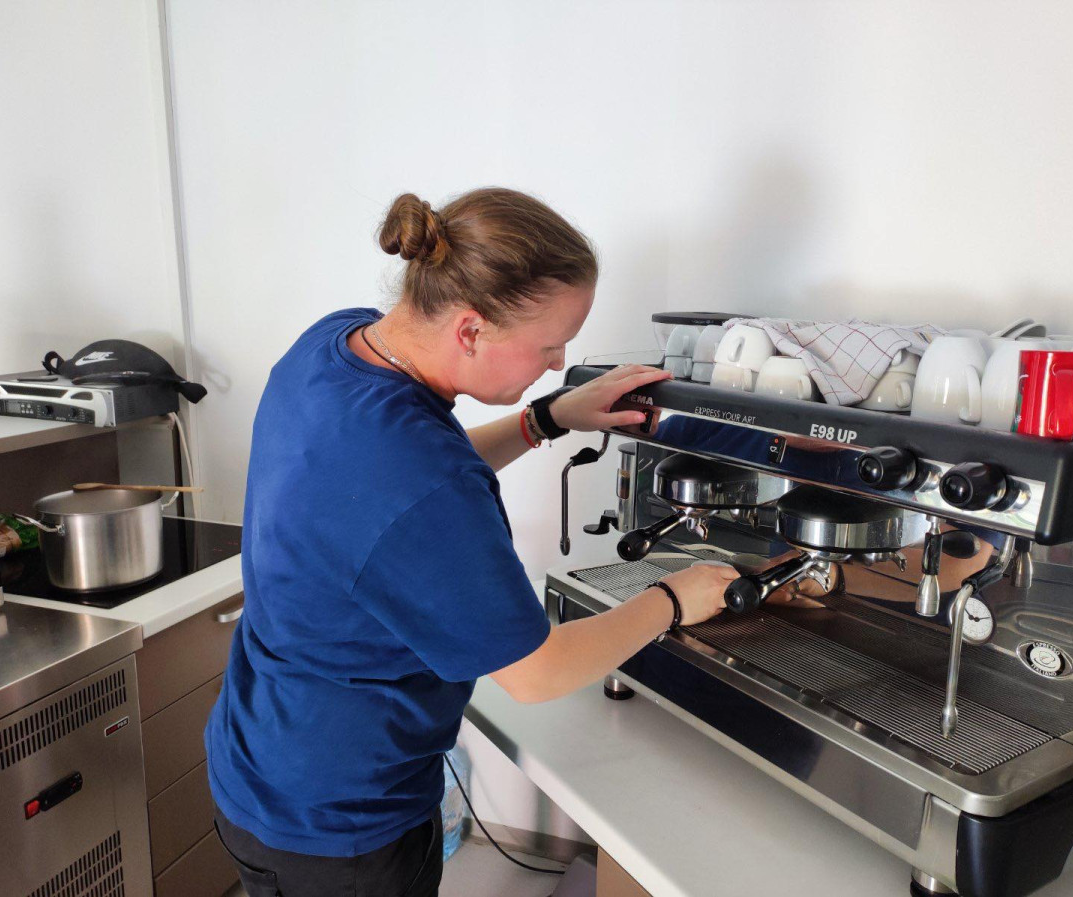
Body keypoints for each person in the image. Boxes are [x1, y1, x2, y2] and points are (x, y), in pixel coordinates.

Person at [205, 187, 738, 897]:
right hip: (344, 829)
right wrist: (672, 598)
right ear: (469, 330)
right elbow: (535, 672)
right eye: (550, 347)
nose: (558, 362)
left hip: (255, 760)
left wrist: (547, 417)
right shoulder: (421, 477)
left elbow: (399, 486)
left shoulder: (336, 345)